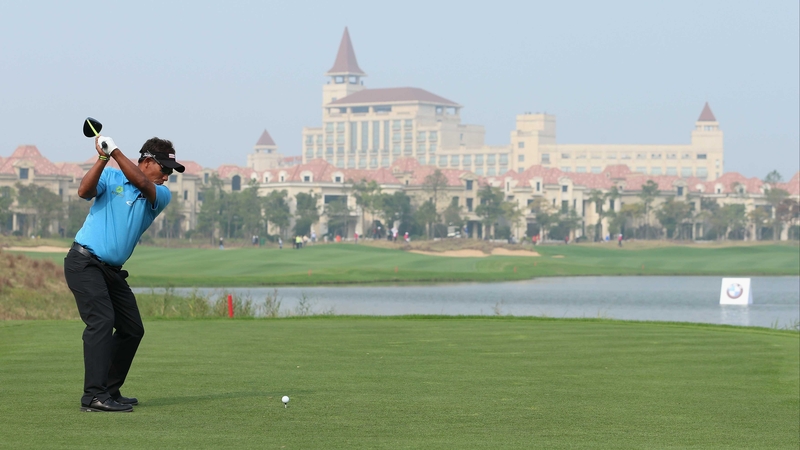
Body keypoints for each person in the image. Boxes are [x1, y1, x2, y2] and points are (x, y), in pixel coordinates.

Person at [64, 134, 185, 413]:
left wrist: (115, 151)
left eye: (170, 172)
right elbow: (83, 191)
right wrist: (103, 157)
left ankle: (109, 390)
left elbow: (141, 182)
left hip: (112, 272)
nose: (167, 176)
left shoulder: (160, 193)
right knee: (102, 321)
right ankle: (94, 396)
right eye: (164, 169)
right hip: (84, 263)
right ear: (147, 161)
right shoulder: (111, 177)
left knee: (132, 329)